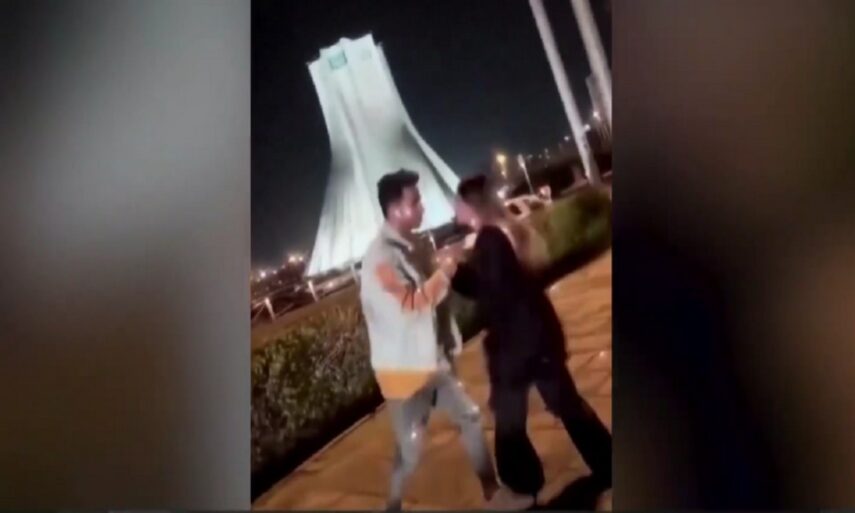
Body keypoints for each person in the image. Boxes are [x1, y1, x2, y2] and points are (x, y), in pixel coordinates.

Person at [359, 170, 525, 511]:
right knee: (409, 453)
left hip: (432, 363)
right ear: (395, 210)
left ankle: (492, 492)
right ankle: (392, 507)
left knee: (470, 417)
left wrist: (447, 342)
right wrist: (446, 273)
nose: (422, 206)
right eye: (415, 201)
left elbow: (434, 299)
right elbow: (409, 306)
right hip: (405, 375)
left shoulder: (414, 245)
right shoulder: (380, 260)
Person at [450, 174, 613, 508]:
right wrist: (459, 273)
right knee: (564, 406)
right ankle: (605, 463)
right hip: (535, 340)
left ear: (470, 205)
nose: (454, 207)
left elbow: (494, 293)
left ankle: (523, 486)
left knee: (514, 417)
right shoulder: (502, 233)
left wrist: (455, 271)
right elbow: (495, 285)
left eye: (458, 201)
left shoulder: (490, 238)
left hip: (521, 346)